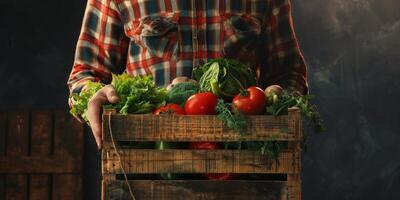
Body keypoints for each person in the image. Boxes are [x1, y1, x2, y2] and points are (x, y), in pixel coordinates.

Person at [67, 0, 308, 149]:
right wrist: (92, 94)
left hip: (242, 164)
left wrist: (279, 96)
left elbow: (289, 70)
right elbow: (85, 74)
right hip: (147, 164)